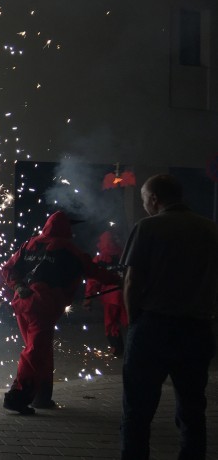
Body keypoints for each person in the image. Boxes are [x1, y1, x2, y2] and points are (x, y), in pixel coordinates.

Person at [119, 174, 218, 459]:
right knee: (192, 408)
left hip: (153, 326)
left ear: (153, 199)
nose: (144, 205)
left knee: (138, 409)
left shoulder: (148, 227)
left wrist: (134, 320)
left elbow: (131, 282)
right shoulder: (210, 229)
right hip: (197, 329)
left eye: (143, 200)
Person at [1, 210, 121, 415]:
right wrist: (119, 279)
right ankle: (18, 397)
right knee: (35, 352)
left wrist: (17, 285)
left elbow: (8, 269)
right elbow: (94, 271)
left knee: (40, 350)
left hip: (22, 304)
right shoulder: (69, 249)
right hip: (43, 306)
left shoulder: (30, 244)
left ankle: (42, 396)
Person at [83, 230, 127, 357]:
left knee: (111, 323)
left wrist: (88, 298)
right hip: (126, 294)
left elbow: (92, 280)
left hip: (110, 297)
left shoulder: (100, 259)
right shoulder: (124, 254)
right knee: (129, 321)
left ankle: (117, 348)